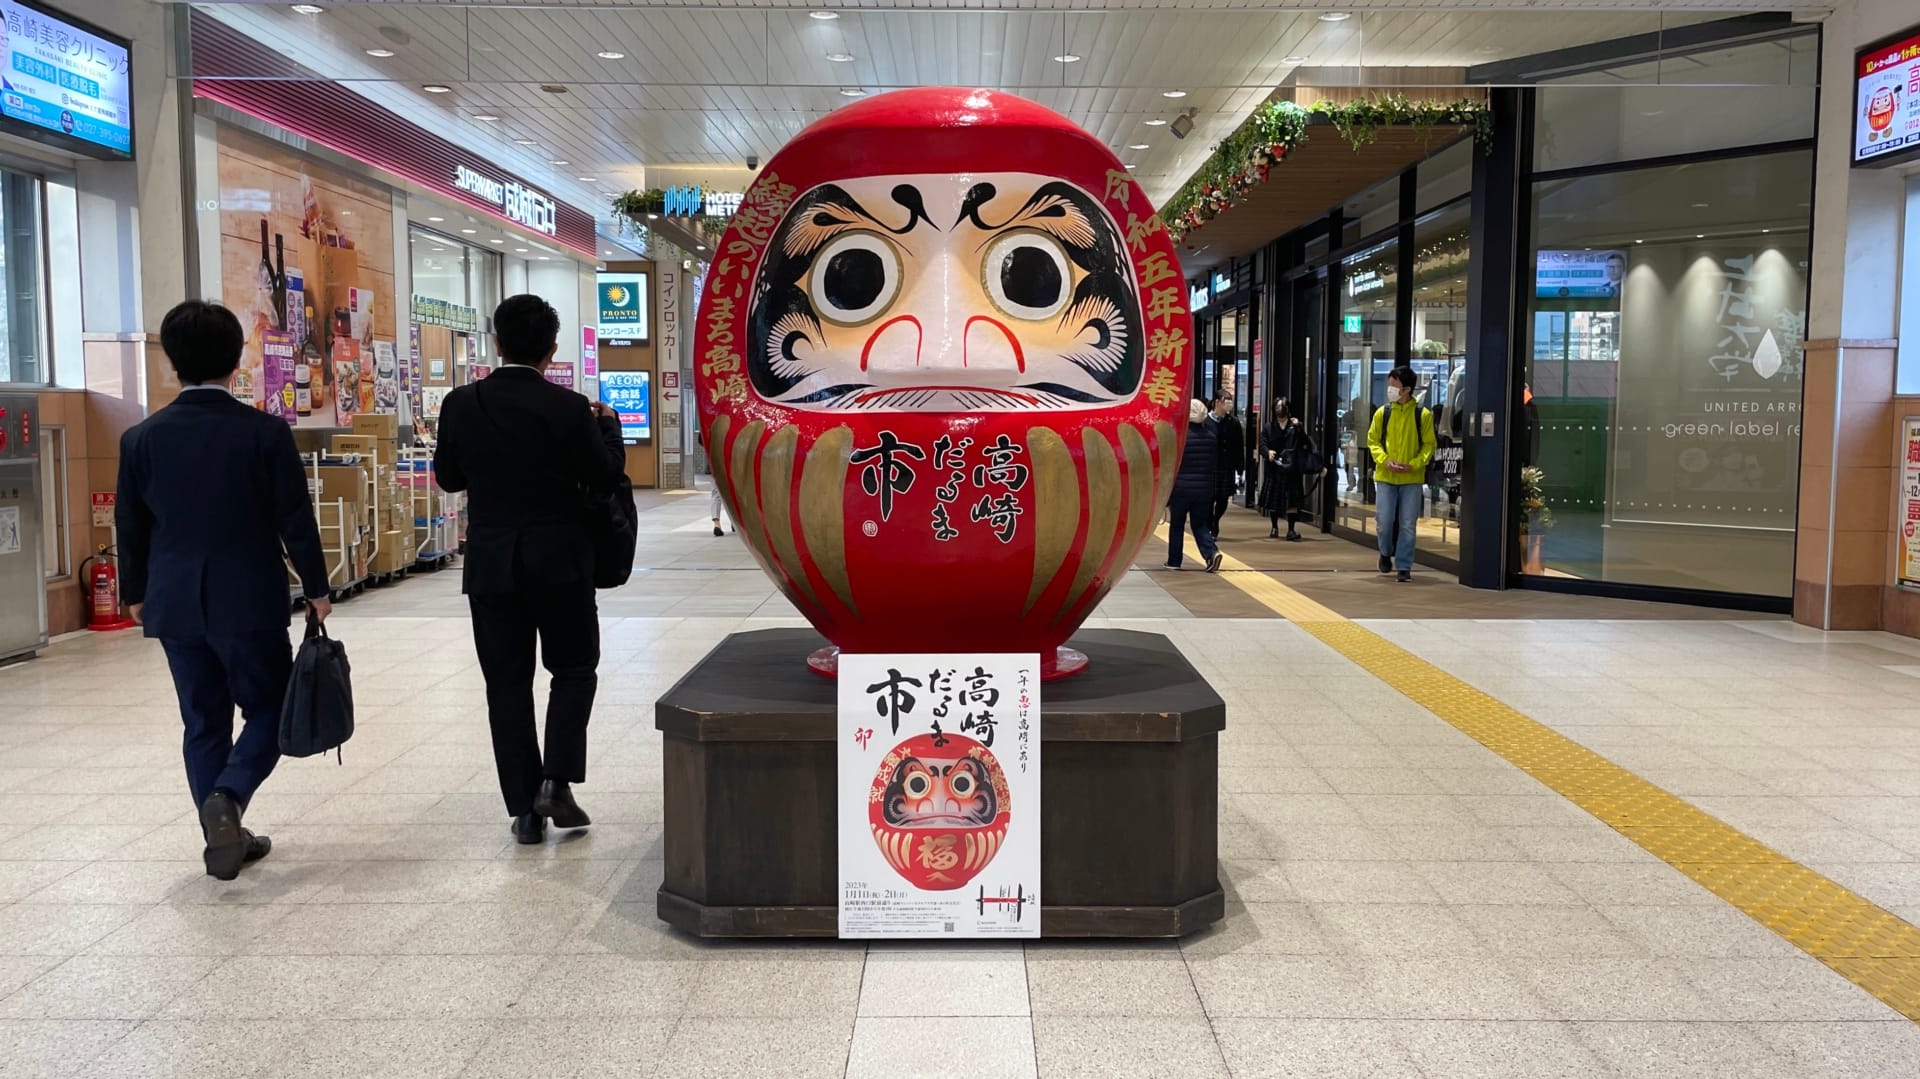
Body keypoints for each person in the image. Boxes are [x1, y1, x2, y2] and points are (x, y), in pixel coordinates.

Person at [116, 300, 333, 881]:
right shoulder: (263, 433)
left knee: (202, 720)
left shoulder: (141, 438)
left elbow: (131, 525)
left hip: (173, 600)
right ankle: (229, 800)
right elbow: (295, 517)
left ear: (171, 363)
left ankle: (223, 832)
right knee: (269, 704)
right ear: (238, 360)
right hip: (248, 596)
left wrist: (135, 592)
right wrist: (317, 586)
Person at [434, 295, 626, 844]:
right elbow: (605, 473)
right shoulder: (568, 408)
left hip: (492, 564)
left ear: (496, 343)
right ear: (552, 349)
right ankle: (557, 782)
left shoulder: (461, 404)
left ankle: (524, 809)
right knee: (572, 669)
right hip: (560, 560)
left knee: (506, 685)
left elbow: (448, 479)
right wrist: (608, 426)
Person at [1366, 365, 1437, 583]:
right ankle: (1385, 552)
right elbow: (1373, 441)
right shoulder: (1383, 413)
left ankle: (1404, 566)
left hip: (1411, 479)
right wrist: (1385, 461)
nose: (1390, 388)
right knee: (1384, 521)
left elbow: (1429, 446)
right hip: (1386, 477)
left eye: (1394, 385)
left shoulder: (1422, 415)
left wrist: (1415, 465)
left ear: (1406, 389)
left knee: (1408, 523)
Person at [1165, 398, 1224, 573]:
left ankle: (1174, 561)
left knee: (1177, 525)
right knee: (1200, 525)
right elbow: (1214, 463)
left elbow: (1171, 463)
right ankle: (1211, 552)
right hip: (1203, 489)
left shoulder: (1179, 437)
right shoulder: (1212, 437)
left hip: (1180, 489)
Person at [1259, 397, 1312, 542]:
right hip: (1274, 468)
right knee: (1275, 502)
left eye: (1282, 406)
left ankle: (1291, 529)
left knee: (1292, 501)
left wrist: (1299, 428)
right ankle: (1274, 527)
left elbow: (1306, 443)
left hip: (1292, 469)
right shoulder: (1268, 427)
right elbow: (1262, 444)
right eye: (1277, 406)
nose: (1280, 409)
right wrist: (1267, 452)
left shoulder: (1295, 426)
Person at [1209, 394, 1244, 536]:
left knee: (1223, 498)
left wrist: (1240, 466)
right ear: (1217, 402)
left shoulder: (1233, 422)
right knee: (1209, 498)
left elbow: (1239, 445)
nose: (1229, 404)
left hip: (1227, 465)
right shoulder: (1206, 421)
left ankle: (1215, 520)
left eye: (1230, 401)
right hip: (1210, 465)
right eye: (1226, 401)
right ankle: (1210, 522)